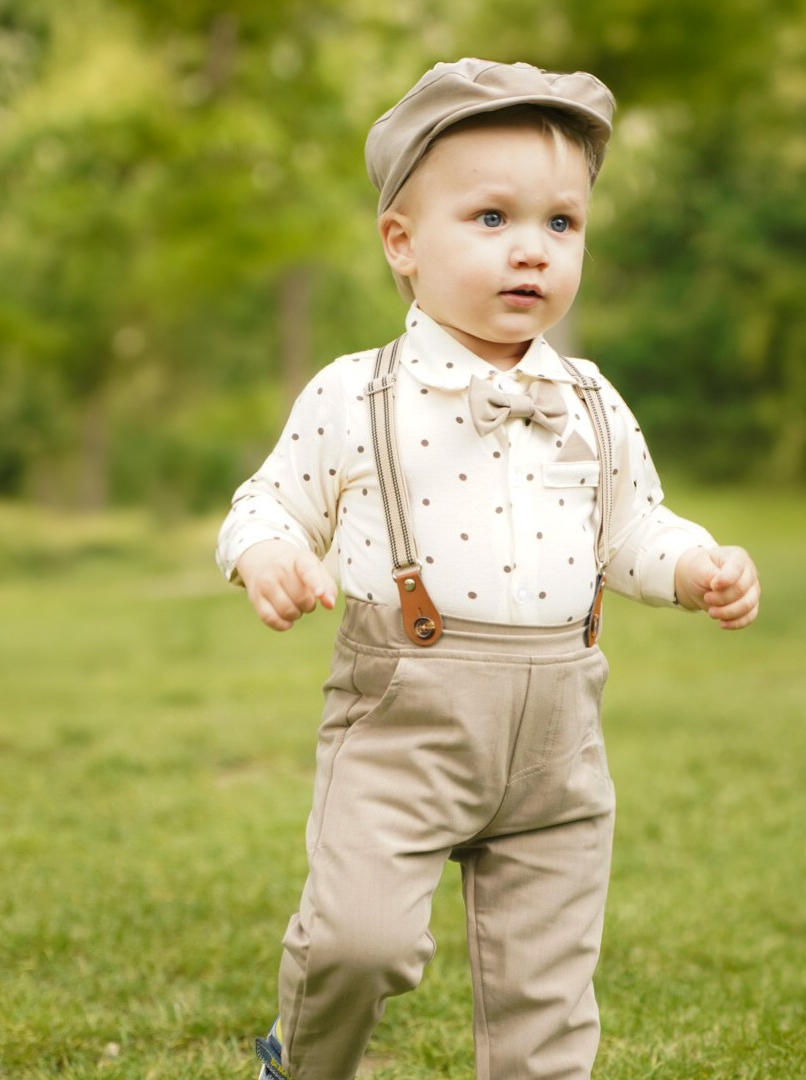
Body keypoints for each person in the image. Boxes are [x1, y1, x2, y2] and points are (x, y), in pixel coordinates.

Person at [216, 57, 760, 1080]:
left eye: (561, 225)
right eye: (493, 219)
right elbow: (264, 503)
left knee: (545, 998)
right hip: (401, 722)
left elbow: (633, 529)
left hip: (558, 736)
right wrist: (271, 553)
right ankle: (303, 1062)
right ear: (403, 244)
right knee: (356, 941)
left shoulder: (590, 400)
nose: (533, 251)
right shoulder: (354, 394)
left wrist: (697, 565)